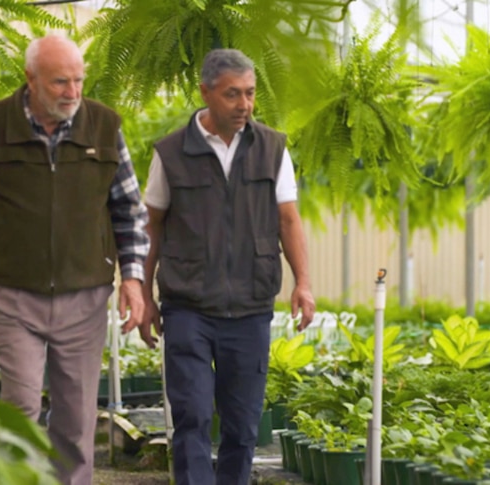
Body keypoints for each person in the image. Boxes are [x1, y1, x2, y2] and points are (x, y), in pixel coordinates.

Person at [0, 33, 149, 485]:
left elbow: (129, 211)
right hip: (11, 296)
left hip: (84, 298)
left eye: (78, 81)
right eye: (59, 83)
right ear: (30, 79)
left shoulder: (105, 127)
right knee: (21, 406)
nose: (72, 93)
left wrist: (133, 278)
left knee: (75, 420)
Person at [140, 48, 316, 485]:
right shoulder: (170, 153)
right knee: (193, 415)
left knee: (241, 427)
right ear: (205, 92)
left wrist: (303, 283)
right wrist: (142, 293)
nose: (244, 105)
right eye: (232, 94)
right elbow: (152, 224)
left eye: (251, 94)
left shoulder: (273, 149)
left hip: (251, 307)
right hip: (188, 307)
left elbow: (288, 219)